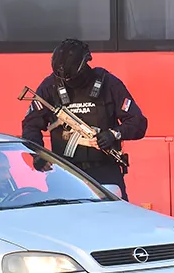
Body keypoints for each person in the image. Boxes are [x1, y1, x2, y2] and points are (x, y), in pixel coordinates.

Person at [21, 38, 147, 201]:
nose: (67, 82)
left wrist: (113, 134)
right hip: (65, 173)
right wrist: (38, 155)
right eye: (63, 79)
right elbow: (31, 125)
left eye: (71, 78)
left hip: (104, 173)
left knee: (114, 223)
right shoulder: (50, 86)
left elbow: (138, 123)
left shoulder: (108, 84)